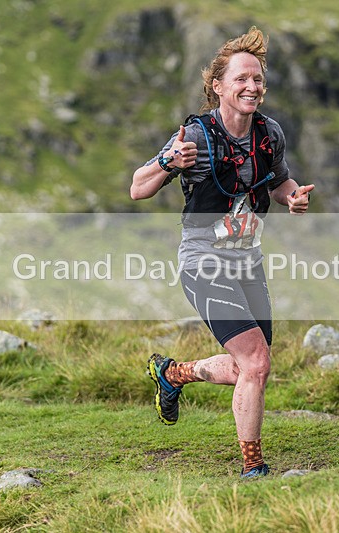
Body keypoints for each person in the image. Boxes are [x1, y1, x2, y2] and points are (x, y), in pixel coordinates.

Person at [130, 26, 314, 478]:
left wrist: (291, 196)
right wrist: (169, 162)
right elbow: (137, 188)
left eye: (258, 80)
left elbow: (277, 181)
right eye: (241, 79)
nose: (252, 87)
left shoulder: (269, 134)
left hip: (248, 261)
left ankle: (172, 375)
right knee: (257, 362)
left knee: (247, 367)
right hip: (204, 262)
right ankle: (253, 468)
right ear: (218, 86)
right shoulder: (195, 135)